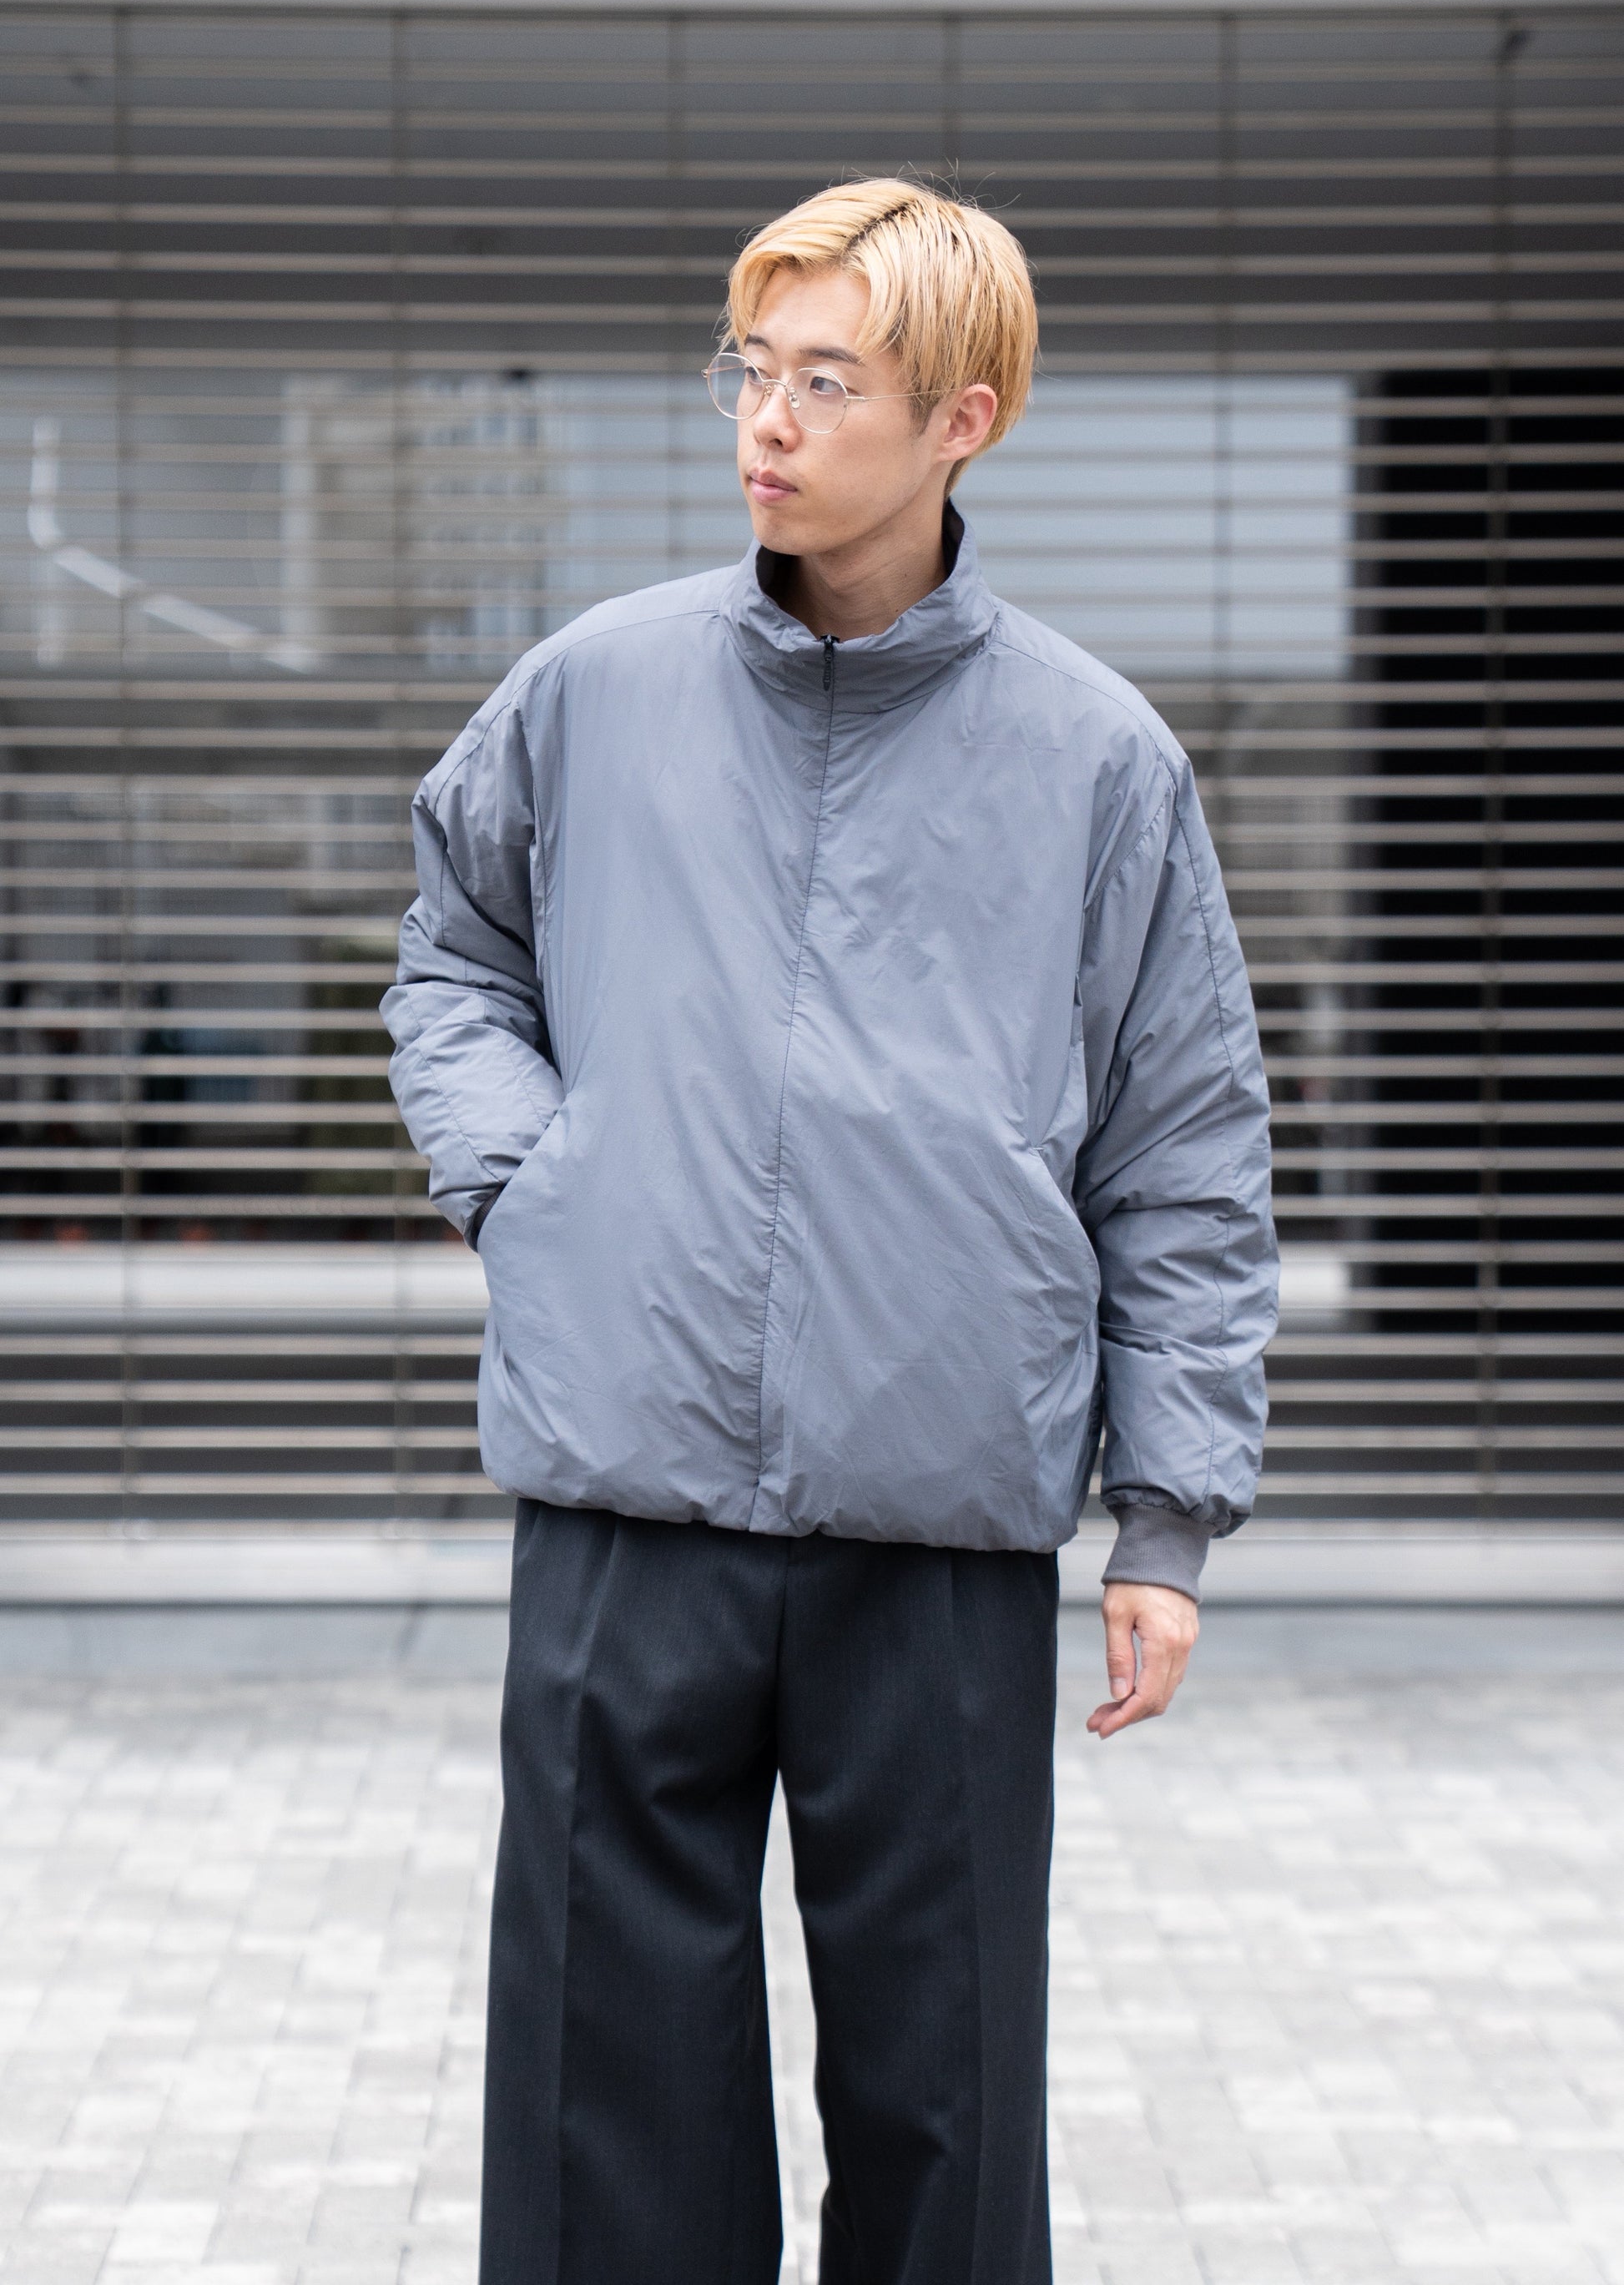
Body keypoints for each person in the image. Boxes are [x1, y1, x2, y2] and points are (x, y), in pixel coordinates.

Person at [381, 178, 1277, 2285]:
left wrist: (1165, 1517)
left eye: (825, 380)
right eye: (748, 370)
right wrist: (534, 1185)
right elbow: (452, 956)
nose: (764, 422)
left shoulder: (1098, 759)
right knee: (602, 2093)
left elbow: (1185, 1143)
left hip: (937, 1521)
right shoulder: (595, 687)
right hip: (626, 1490)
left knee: (943, 2102)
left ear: (963, 418)